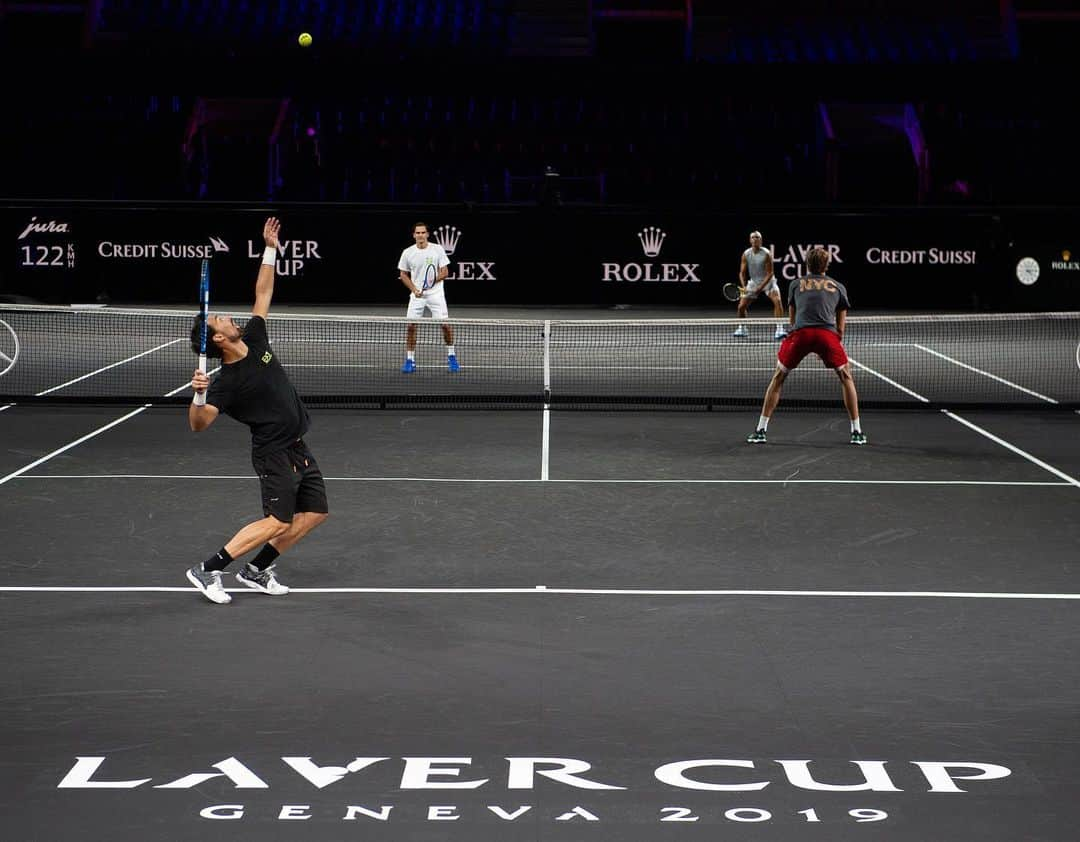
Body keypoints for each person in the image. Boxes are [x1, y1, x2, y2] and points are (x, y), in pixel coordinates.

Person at [186, 217, 330, 604]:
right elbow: (199, 426)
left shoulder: (254, 335)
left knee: (314, 512)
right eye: (220, 319)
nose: (229, 317)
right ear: (218, 338)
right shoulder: (225, 382)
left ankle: (255, 569)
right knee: (278, 520)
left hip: (297, 445)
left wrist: (270, 248)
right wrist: (198, 396)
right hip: (273, 452)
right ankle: (208, 569)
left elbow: (263, 291)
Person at [746, 245, 866, 445]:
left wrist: (801, 339)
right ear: (826, 265)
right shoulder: (838, 286)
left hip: (800, 335)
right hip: (827, 335)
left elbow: (792, 322)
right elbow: (840, 329)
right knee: (846, 376)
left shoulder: (795, 285)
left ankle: (760, 430)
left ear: (807, 264)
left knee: (778, 377)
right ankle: (857, 432)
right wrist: (827, 346)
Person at [397, 221, 459, 373]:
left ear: (427, 234)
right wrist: (414, 289)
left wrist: (432, 282)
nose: (420, 235)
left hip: (436, 295)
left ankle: (452, 356)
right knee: (411, 327)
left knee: (445, 326)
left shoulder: (437, 249)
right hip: (417, 295)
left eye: (423, 232)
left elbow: (445, 272)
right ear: (414, 235)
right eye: (417, 233)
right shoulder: (407, 252)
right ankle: (410, 360)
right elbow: (403, 275)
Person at [733, 230, 788, 340]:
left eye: (757, 237)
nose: (755, 239)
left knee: (777, 301)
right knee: (741, 307)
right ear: (750, 240)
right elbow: (742, 273)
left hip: (768, 282)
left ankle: (780, 328)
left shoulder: (766, 253)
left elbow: (770, 273)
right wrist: (744, 287)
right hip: (753, 282)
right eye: (753, 237)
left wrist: (760, 288)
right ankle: (742, 328)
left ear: (761, 240)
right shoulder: (746, 254)